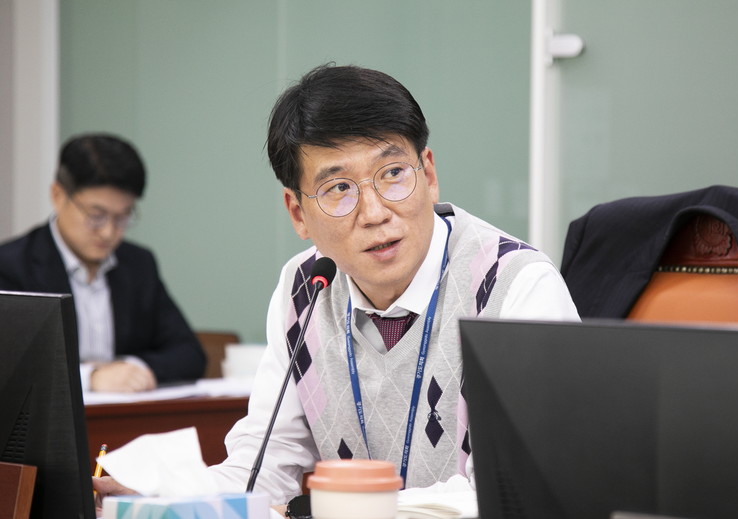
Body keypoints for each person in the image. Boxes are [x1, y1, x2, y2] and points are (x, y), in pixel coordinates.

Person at [94, 64, 579, 512]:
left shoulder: (514, 288)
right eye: (339, 188)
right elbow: (263, 466)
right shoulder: (305, 289)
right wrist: (166, 498)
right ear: (298, 213)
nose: (375, 212)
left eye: (393, 174)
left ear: (429, 174)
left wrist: (335, 509)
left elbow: (517, 491)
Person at [0, 133, 206, 392]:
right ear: (58, 196)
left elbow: (189, 354)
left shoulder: (138, 264)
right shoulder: (11, 266)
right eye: (96, 216)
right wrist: (91, 377)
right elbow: (10, 364)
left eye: (122, 217)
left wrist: (130, 370)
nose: (109, 232)